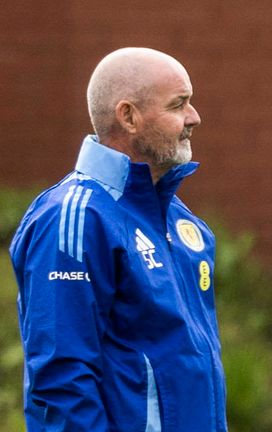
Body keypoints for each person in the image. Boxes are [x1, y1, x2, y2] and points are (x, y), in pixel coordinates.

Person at [10, 47, 227, 431]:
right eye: (179, 105)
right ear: (128, 116)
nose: (195, 118)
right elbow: (61, 384)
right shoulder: (72, 217)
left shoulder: (181, 221)